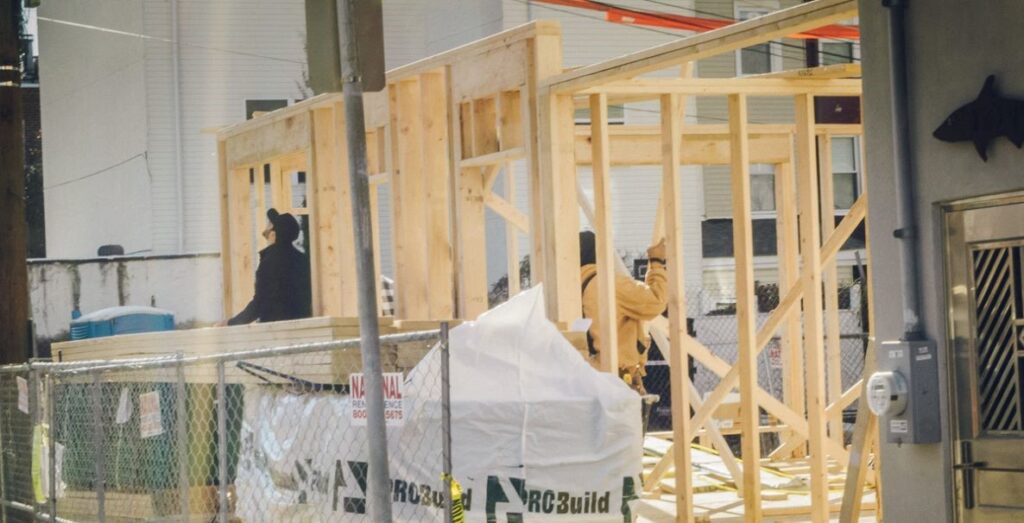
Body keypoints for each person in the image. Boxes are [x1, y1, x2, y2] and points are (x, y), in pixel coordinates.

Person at [579, 231, 668, 393]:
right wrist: (656, 262)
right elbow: (655, 301)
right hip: (617, 380)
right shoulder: (609, 284)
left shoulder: (569, 289)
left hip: (587, 377)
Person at [222, 209, 312, 325]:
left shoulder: (270, 262)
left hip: (276, 331)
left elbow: (260, 302)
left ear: (273, 235)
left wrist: (231, 323)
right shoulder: (303, 260)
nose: (264, 231)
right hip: (303, 328)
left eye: (267, 231)